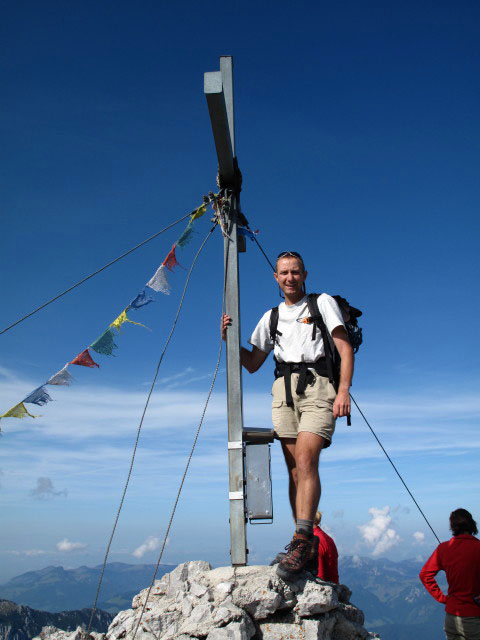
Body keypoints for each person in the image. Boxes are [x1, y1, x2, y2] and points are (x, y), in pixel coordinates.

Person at [221, 251, 353, 579]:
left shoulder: (321, 303)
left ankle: (302, 538)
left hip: (317, 387)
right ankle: (302, 548)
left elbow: (344, 348)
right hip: (283, 391)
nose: (290, 277)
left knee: (307, 461)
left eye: (295, 272)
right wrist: (230, 340)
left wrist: (343, 390)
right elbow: (252, 364)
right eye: (284, 272)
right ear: (276, 278)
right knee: (294, 470)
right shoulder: (272, 317)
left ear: (305, 274)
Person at [419, 508, 480, 640]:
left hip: (451, 618)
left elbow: (425, 575)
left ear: (453, 527)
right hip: (474, 618)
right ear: (472, 524)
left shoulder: (443, 548)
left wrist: (443, 598)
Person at [313, 511, 339, 583]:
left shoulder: (316, 540)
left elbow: (319, 576)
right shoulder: (326, 537)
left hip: (324, 589)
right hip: (333, 587)